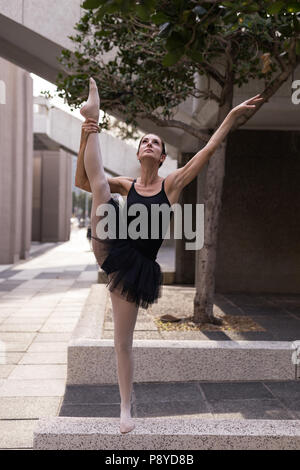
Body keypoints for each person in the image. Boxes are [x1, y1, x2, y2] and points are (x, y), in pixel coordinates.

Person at [75, 77, 263, 434]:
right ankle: (93, 117)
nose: (148, 143)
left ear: (162, 157)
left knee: (122, 342)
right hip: (113, 246)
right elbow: (87, 182)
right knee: (103, 187)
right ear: (138, 152)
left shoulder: (172, 183)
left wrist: (231, 116)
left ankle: (126, 409)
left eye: (155, 142)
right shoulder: (126, 185)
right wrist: (86, 134)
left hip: (138, 267)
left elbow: (207, 151)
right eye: (143, 140)